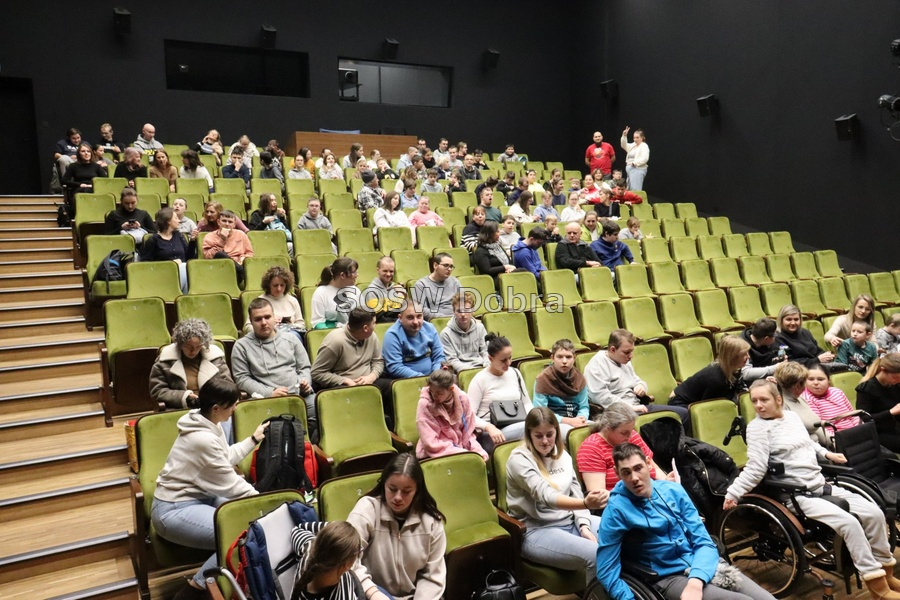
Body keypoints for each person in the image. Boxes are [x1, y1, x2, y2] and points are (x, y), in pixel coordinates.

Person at [724, 380, 900, 600]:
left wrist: (827, 454)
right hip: (795, 494)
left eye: (764, 400)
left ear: (778, 399)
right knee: (850, 523)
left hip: (820, 484)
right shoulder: (757, 428)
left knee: (874, 513)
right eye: (754, 401)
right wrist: (734, 492)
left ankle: (887, 572)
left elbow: (808, 442)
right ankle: (876, 585)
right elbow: (756, 468)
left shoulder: (791, 417)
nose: (758, 405)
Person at [600, 442, 775, 600]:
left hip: (699, 562)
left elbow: (704, 542)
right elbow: (606, 569)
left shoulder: (672, 490)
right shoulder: (616, 510)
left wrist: (696, 581)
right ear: (617, 473)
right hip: (667, 577)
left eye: (638, 468)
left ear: (648, 463)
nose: (634, 478)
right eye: (626, 472)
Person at [151, 376, 267, 599]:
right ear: (216, 408)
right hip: (173, 509)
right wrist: (267, 503)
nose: (235, 409)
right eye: (233, 405)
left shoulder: (208, 421)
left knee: (247, 522)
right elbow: (231, 484)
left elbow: (224, 458)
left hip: (202, 497)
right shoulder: (202, 438)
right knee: (237, 535)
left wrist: (253, 439)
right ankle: (194, 590)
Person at [505, 407, 607, 587]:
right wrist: (585, 503)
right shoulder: (519, 459)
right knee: (596, 554)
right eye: (538, 436)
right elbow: (546, 496)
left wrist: (583, 525)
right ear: (529, 434)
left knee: (624, 533)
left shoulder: (562, 455)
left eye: (549, 434)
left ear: (557, 432)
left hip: (570, 521)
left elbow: (575, 490)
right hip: (537, 530)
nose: (545, 441)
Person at [346, 454, 447, 600]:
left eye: (406, 491)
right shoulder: (366, 510)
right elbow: (348, 559)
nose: (398, 497)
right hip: (371, 594)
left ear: (417, 491)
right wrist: (372, 592)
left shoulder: (431, 522)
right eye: (392, 489)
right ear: (384, 484)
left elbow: (433, 577)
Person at [232, 298, 318, 441]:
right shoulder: (241, 346)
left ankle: (305, 447)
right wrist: (269, 393)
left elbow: (304, 367)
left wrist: (305, 383)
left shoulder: (291, 339)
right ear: (251, 322)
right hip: (265, 399)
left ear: (274, 317)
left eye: (267, 317)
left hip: (299, 395)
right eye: (258, 319)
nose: (264, 322)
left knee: (319, 408)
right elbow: (242, 379)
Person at [583, 329, 689, 422]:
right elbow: (601, 397)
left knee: (682, 414)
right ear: (613, 349)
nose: (631, 356)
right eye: (627, 352)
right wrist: (630, 407)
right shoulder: (598, 364)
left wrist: (641, 387)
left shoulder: (624, 361)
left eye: (632, 351)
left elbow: (637, 380)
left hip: (637, 407)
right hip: (618, 415)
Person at [311, 308, 394, 421]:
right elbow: (316, 373)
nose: (376, 325)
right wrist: (344, 380)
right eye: (374, 323)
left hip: (368, 381)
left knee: (392, 387)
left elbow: (378, 361)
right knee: (348, 394)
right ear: (365, 328)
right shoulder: (335, 342)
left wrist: (372, 376)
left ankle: (389, 425)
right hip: (344, 385)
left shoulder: (371, 336)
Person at [577, 403, 667, 493]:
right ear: (607, 428)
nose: (630, 436)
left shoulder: (632, 436)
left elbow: (654, 468)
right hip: (619, 498)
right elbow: (598, 495)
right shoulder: (591, 448)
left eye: (631, 430)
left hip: (652, 490)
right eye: (624, 433)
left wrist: (667, 482)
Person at [149, 318, 232, 410]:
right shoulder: (165, 361)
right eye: (188, 346)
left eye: (198, 346)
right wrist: (185, 397)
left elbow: (228, 385)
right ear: (180, 343)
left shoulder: (215, 358)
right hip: (179, 409)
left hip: (212, 408)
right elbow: (157, 391)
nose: (193, 351)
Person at [468, 334, 532, 451]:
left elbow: (527, 403)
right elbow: (469, 415)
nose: (508, 363)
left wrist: (532, 418)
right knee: (535, 429)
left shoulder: (515, 373)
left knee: (546, 424)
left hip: (518, 423)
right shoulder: (479, 380)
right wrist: (488, 427)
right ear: (490, 359)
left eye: (510, 358)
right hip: (492, 433)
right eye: (503, 360)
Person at [416, 369, 488, 461]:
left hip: (460, 448)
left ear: (451, 389)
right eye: (431, 391)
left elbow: (468, 433)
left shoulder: (463, 399)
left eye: (439, 393)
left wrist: (476, 451)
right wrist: (463, 453)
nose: (434, 396)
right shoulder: (425, 404)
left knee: (480, 458)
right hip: (436, 451)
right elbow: (430, 443)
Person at [669, 335, 752, 408]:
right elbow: (708, 408)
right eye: (744, 354)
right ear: (732, 357)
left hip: (697, 401)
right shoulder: (716, 378)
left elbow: (738, 391)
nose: (748, 357)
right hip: (680, 402)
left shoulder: (735, 369)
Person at [288, 521, 362, 600]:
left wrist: (334, 530)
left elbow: (298, 529)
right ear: (347, 565)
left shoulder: (309, 549)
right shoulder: (343, 595)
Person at [533, 339, 589, 439]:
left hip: (576, 419)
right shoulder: (543, 379)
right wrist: (568, 421)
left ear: (574, 358)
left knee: (600, 430)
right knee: (575, 436)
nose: (564, 361)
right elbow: (541, 412)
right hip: (553, 422)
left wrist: (581, 419)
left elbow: (584, 407)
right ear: (552, 358)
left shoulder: (579, 379)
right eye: (559, 357)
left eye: (568, 357)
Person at [243, 266, 306, 343]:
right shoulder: (259, 301)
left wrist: (289, 326)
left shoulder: (293, 301)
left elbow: (301, 325)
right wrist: (269, 325)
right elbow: (247, 327)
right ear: (268, 285)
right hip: (266, 339)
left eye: (282, 285)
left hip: (290, 338)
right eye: (275, 285)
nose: (279, 289)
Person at [773, 360, 830, 446]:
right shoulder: (780, 406)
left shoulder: (799, 398)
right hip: (804, 450)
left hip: (818, 447)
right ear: (797, 386)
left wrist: (835, 442)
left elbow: (816, 428)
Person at [382, 302, 446, 379]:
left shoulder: (429, 328)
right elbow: (395, 367)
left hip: (433, 377)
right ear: (400, 318)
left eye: (419, 316)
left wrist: (436, 375)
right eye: (410, 318)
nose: (416, 322)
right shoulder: (392, 335)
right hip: (405, 380)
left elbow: (439, 356)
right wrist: (423, 378)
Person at [856, 353, 900, 453]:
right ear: (883, 370)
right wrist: (890, 412)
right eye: (895, 377)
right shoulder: (866, 388)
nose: (898, 381)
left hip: (892, 427)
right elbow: (865, 418)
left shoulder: (895, 385)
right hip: (877, 432)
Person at [142, 207, 190, 292]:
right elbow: (146, 264)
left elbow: (189, 257)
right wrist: (171, 264)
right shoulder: (153, 240)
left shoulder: (179, 236)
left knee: (185, 268)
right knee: (184, 267)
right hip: (162, 275)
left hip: (181, 274)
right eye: (176, 218)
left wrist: (192, 241)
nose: (179, 221)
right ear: (168, 221)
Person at [800, 364, 860, 432]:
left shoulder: (837, 392)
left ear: (828, 380)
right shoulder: (806, 398)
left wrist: (859, 428)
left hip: (854, 431)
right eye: (811, 379)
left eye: (820, 379)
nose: (816, 383)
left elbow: (853, 415)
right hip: (834, 435)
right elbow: (819, 428)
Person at [440, 291, 489, 373]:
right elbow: (452, 360)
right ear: (453, 312)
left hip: (482, 368)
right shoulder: (445, 334)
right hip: (460, 373)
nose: (463, 314)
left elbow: (486, 351)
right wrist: (470, 372)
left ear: (473, 311)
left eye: (466, 310)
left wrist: (487, 366)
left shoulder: (480, 328)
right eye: (459, 311)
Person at [201, 210, 254, 283]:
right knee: (220, 254)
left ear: (234, 224)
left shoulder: (241, 235)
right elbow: (208, 257)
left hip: (237, 270)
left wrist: (242, 258)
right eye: (224, 221)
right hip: (219, 269)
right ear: (218, 222)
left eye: (230, 222)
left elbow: (250, 253)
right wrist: (222, 240)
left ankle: (239, 270)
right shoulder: (209, 236)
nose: (227, 224)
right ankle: (240, 270)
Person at [311, 257, 360, 329]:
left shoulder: (355, 290)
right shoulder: (321, 292)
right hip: (331, 332)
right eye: (354, 272)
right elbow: (317, 323)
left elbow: (362, 317)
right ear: (342, 275)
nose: (357, 275)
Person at [413, 253, 461, 321]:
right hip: (437, 321)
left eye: (451, 266)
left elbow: (464, 303)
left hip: (458, 320)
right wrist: (445, 318)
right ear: (435, 265)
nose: (449, 269)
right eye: (446, 265)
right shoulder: (421, 285)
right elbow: (421, 309)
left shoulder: (455, 282)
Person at [361, 256, 406, 322]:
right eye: (385, 271)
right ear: (378, 270)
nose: (388, 274)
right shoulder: (371, 291)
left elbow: (403, 312)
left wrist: (405, 297)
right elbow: (379, 319)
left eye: (391, 271)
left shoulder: (396, 289)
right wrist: (401, 321)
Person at [620, 127, 649, 191]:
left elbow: (645, 158)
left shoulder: (644, 146)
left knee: (635, 189)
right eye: (634, 137)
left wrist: (634, 163)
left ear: (641, 138)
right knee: (629, 188)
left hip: (637, 169)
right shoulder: (633, 145)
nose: (635, 139)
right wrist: (624, 136)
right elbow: (623, 145)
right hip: (630, 169)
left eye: (637, 137)